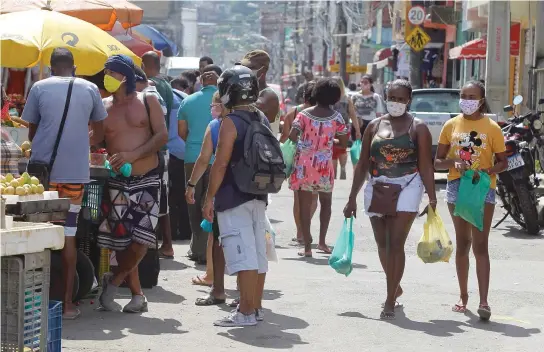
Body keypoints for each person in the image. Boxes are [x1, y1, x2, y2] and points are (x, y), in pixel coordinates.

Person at [22, 48, 108, 319]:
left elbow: (32, 131)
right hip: (74, 176)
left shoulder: (39, 87)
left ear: (50, 66)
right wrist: (82, 143)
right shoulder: (90, 88)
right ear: (74, 65)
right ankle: (68, 303)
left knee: (37, 234)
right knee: (68, 235)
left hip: (41, 177)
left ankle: (34, 304)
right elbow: (100, 130)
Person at [343, 79, 437, 320]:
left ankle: (389, 298)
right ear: (385, 98)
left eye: (401, 99)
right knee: (382, 244)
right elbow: (363, 163)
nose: (396, 103)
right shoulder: (373, 126)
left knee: (395, 244)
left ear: (409, 100)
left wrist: (433, 197)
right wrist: (351, 198)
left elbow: (426, 165)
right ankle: (394, 284)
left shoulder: (419, 128)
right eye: (392, 98)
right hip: (377, 185)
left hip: (408, 185)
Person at [95, 55, 168, 313]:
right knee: (124, 241)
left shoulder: (148, 100)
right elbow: (97, 140)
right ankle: (137, 296)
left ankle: (113, 282)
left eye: (110, 73)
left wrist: (132, 155)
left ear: (124, 76)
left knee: (144, 239)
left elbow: (162, 136)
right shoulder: (102, 106)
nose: (106, 78)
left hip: (147, 177)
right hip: (117, 181)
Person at [202, 64, 272, 327]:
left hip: (233, 196)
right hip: (258, 194)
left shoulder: (230, 122)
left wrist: (209, 198)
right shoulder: (260, 118)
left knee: (242, 255)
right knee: (257, 253)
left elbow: (219, 164)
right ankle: (255, 307)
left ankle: (245, 313)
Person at [434, 80, 507, 321]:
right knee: (463, 244)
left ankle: (484, 302)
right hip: (456, 187)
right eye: (463, 95)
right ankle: (463, 297)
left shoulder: (493, 127)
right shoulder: (450, 124)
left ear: (481, 100)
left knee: (480, 244)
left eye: (472, 96)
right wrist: (455, 163)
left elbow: (503, 162)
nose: (466, 99)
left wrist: (488, 171)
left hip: (483, 189)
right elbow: (438, 161)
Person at [289, 78, 349, 257]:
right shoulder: (337, 118)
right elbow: (344, 142)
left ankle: (307, 246)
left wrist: (307, 143)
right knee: (326, 203)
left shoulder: (303, 115)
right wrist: (328, 140)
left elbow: (292, 136)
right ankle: (322, 242)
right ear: (335, 98)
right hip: (324, 166)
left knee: (304, 205)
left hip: (304, 165)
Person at [178, 64, 223, 277]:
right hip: (218, 160)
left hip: (191, 158)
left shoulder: (188, 101)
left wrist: (196, 145)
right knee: (211, 203)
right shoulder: (224, 102)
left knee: (193, 205)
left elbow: (181, 132)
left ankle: (197, 249)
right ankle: (208, 251)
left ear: (201, 82)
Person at [186, 92, 228, 306]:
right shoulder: (256, 119)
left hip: (223, 187)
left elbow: (204, 159)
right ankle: (245, 283)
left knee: (216, 235)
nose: (212, 107)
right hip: (252, 188)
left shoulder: (215, 126)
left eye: (214, 104)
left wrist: (192, 184)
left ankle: (212, 278)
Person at [142, 52, 175, 259]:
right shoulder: (167, 85)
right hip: (164, 148)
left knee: (156, 199)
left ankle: (159, 245)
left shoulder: (150, 87)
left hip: (155, 149)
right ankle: (165, 244)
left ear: (144, 65)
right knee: (162, 199)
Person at [280, 82, 318, 245]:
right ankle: (306, 227)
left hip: (299, 159)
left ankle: (300, 232)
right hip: (318, 160)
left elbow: (285, 138)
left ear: (304, 96)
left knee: (298, 198)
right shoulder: (325, 114)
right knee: (314, 197)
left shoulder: (293, 113)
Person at [168, 87, 192, 242]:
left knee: (172, 195)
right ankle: (185, 231)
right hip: (187, 151)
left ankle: (173, 231)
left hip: (172, 152)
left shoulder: (161, 98)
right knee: (185, 194)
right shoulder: (184, 97)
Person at [331, 76, 361, 179]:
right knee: (342, 149)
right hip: (344, 127)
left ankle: (333, 174)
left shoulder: (327, 98)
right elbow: (353, 115)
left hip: (330, 127)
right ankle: (343, 167)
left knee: (333, 151)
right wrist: (357, 130)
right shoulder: (347, 98)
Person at [240, 50, 280, 126]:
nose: (245, 71)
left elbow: (251, 107)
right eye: (244, 67)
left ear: (263, 70)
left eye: (251, 67)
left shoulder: (269, 95)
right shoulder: (247, 92)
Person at [351, 75, 384, 140]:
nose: (363, 84)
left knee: (367, 145)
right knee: (356, 146)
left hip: (370, 124)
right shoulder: (354, 96)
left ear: (370, 84)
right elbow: (351, 111)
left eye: (365, 82)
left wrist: (378, 128)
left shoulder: (376, 97)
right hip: (357, 124)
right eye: (361, 82)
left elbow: (378, 114)